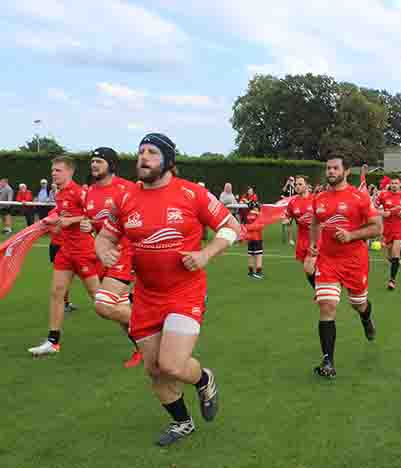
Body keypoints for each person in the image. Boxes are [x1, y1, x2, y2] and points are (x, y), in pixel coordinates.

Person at [96, 133, 242, 446]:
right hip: (146, 296)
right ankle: (183, 422)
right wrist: (102, 249)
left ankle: (204, 379)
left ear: (168, 161)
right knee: (154, 370)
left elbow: (233, 227)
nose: (143, 158)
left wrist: (205, 254)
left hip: (184, 293)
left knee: (172, 365)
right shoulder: (124, 198)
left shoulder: (192, 194)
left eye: (151, 152)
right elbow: (105, 237)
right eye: (140, 152)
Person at [307, 154, 381, 378]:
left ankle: (366, 318)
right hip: (328, 261)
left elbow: (377, 227)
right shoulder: (319, 198)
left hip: (354, 262)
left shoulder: (359, 197)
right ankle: (328, 362)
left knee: (358, 304)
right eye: (328, 168)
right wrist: (313, 244)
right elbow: (315, 223)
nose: (330, 172)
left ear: (346, 171)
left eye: (335, 168)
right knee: (327, 305)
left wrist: (351, 235)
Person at [28, 157, 100, 356]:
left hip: (83, 251)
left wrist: (71, 220)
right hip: (65, 250)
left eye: (58, 170)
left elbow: (94, 216)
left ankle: (139, 331)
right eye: (53, 170)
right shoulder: (59, 193)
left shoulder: (80, 192)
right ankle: (53, 341)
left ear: (70, 172)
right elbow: (60, 214)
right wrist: (52, 221)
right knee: (57, 292)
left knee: (101, 301)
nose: (53, 173)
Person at [81, 147, 142, 368]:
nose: (94, 165)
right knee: (119, 306)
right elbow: (99, 229)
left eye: (99, 161)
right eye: (92, 161)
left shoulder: (128, 188)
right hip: (104, 256)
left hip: (126, 253)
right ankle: (142, 348)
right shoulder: (90, 192)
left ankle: (152, 325)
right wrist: (87, 226)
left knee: (104, 305)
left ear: (111, 164)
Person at [375, 176, 401, 290]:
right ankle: (396, 260)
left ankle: (392, 280)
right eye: (392, 183)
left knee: (395, 252)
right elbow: (373, 209)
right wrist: (383, 213)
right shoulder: (383, 195)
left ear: (400, 184)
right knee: (390, 255)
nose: (394, 185)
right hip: (388, 228)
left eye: (396, 183)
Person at [285, 175, 317, 288]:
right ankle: (321, 288)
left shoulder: (315, 199)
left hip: (315, 238)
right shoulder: (293, 202)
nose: (297, 187)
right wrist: (286, 220)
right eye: (296, 184)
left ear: (307, 186)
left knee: (309, 267)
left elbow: (324, 217)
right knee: (308, 269)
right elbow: (288, 216)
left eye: (300, 184)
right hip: (302, 239)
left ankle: (320, 291)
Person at [245, 200, 264, 279]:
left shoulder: (247, 215)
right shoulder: (258, 215)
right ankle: (258, 272)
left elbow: (245, 226)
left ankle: (250, 272)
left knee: (251, 255)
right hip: (257, 238)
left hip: (249, 238)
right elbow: (261, 226)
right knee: (258, 255)